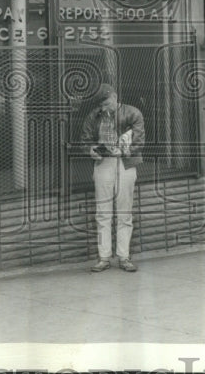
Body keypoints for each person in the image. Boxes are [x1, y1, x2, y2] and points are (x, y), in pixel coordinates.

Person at [81, 83, 145, 273]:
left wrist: (125, 149)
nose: (104, 107)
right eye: (101, 105)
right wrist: (90, 150)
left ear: (115, 97)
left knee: (124, 211)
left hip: (125, 163)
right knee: (103, 212)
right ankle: (104, 257)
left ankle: (123, 257)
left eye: (107, 103)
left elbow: (139, 141)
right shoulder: (93, 116)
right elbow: (85, 141)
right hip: (104, 164)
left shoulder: (133, 113)